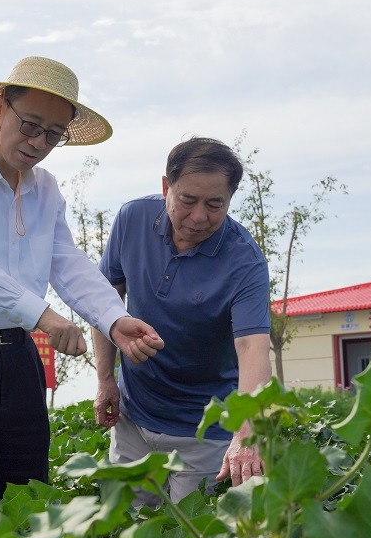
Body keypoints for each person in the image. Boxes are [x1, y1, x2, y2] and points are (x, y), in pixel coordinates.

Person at [0, 56, 166, 508]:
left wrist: (114, 320)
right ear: (1, 106)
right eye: (30, 125)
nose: (38, 142)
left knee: (27, 504)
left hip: (19, 361)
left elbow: (66, 262)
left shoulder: (45, 189)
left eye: (53, 134)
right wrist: (41, 314)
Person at [92, 138, 272, 504]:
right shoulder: (132, 219)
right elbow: (103, 298)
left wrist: (248, 432)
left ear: (230, 200)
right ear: (165, 187)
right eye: (187, 200)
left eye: (214, 205)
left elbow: (252, 346)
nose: (199, 217)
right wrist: (105, 379)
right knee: (128, 536)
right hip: (134, 418)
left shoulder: (245, 261)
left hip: (205, 432)